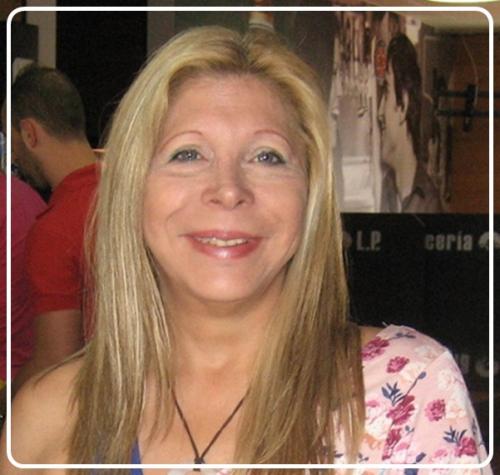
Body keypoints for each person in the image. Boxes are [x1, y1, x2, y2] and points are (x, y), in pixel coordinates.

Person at [1, 26, 488, 473]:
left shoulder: (404, 393)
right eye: (188, 154)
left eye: (267, 156)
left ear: (310, 194)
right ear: (133, 190)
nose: (229, 189)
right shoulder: (47, 421)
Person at [2, 65, 99, 393]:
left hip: (96, 401)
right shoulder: (137, 194)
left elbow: (55, 360)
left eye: (11, 141)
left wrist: (9, 404)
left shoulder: (55, 230)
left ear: (29, 133)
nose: (14, 158)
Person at [378, 33, 443, 213]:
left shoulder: (430, 206)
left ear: (403, 106)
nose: (379, 112)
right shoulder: (388, 187)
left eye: (386, 92)